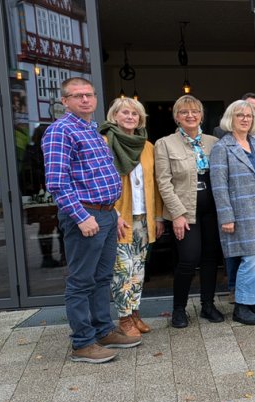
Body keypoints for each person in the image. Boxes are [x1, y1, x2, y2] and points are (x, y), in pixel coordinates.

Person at [43, 77, 138, 363]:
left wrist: (116, 213)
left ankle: (103, 330)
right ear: (65, 101)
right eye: (77, 96)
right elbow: (58, 183)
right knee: (81, 281)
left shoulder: (93, 130)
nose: (85, 100)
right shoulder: (61, 131)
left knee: (102, 278)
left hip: (106, 213)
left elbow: (99, 177)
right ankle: (83, 343)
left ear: (95, 98)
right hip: (85, 215)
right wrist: (82, 217)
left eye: (89, 95)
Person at [210, 100, 255, 325]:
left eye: (249, 116)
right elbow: (219, 185)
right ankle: (242, 306)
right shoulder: (222, 148)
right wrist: (226, 216)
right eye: (240, 115)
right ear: (230, 119)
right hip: (243, 211)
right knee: (251, 258)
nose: (245, 119)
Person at [155, 95, 225, 328]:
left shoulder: (214, 142)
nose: (190, 115)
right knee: (188, 259)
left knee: (210, 259)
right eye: (184, 112)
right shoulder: (165, 143)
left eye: (195, 111)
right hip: (185, 211)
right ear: (176, 117)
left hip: (212, 210)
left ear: (201, 115)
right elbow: (163, 182)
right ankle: (179, 309)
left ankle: (207, 305)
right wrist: (177, 214)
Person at [100, 97, 163, 337]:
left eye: (134, 114)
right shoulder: (104, 142)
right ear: (114, 116)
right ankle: (124, 318)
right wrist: (113, 214)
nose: (130, 117)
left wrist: (157, 217)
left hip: (143, 217)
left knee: (138, 270)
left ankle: (135, 312)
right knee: (122, 270)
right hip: (119, 216)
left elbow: (154, 184)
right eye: (124, 112)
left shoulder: (147, 146)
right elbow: (102, 183)